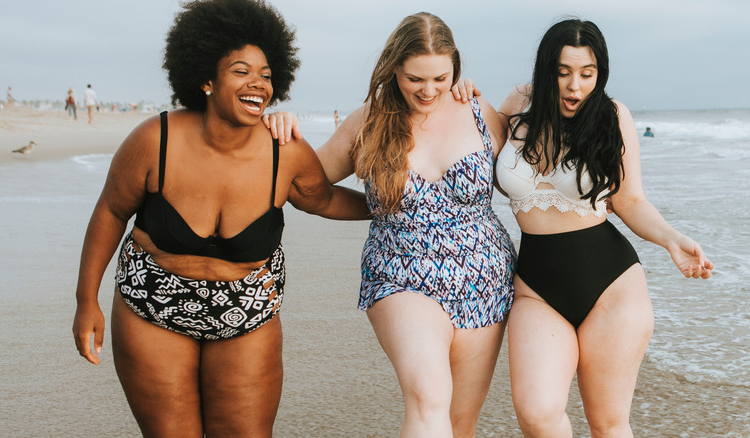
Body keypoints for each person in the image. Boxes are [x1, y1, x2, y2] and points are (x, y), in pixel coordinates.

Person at [71, 1, 369, 436]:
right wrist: (86, 301)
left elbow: (322, 200)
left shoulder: (284, 154)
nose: (258, 84)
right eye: (241, 71)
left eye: (266, 74)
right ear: (207, 80)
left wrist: (390, 205)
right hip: (152, 303)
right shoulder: (156, 140)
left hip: (246, 310)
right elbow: (111, 213)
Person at [459, 19, 713, 437]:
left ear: (600, 72)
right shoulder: (519, 103)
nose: (574, 86)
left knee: (608, 423)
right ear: (545, 70)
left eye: (586, 74)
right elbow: (471, 138)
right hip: (536, 287)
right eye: (563, 73)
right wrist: (462, 93)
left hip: (611, 285)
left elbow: (630, 200)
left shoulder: (612, 116)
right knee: (538, 415)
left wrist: (672, 239)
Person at [273, 12, 517, 437]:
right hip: (401, 273)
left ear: (456, 68)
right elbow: (305, 183)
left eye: (440, 78)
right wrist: (280, 130)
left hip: (487, 277)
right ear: (393, 70)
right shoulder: (367, 121)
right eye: (414, 79)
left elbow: (529, 171)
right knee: (428, 396)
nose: (428, 90)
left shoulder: (479, 111)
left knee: (460, 422)